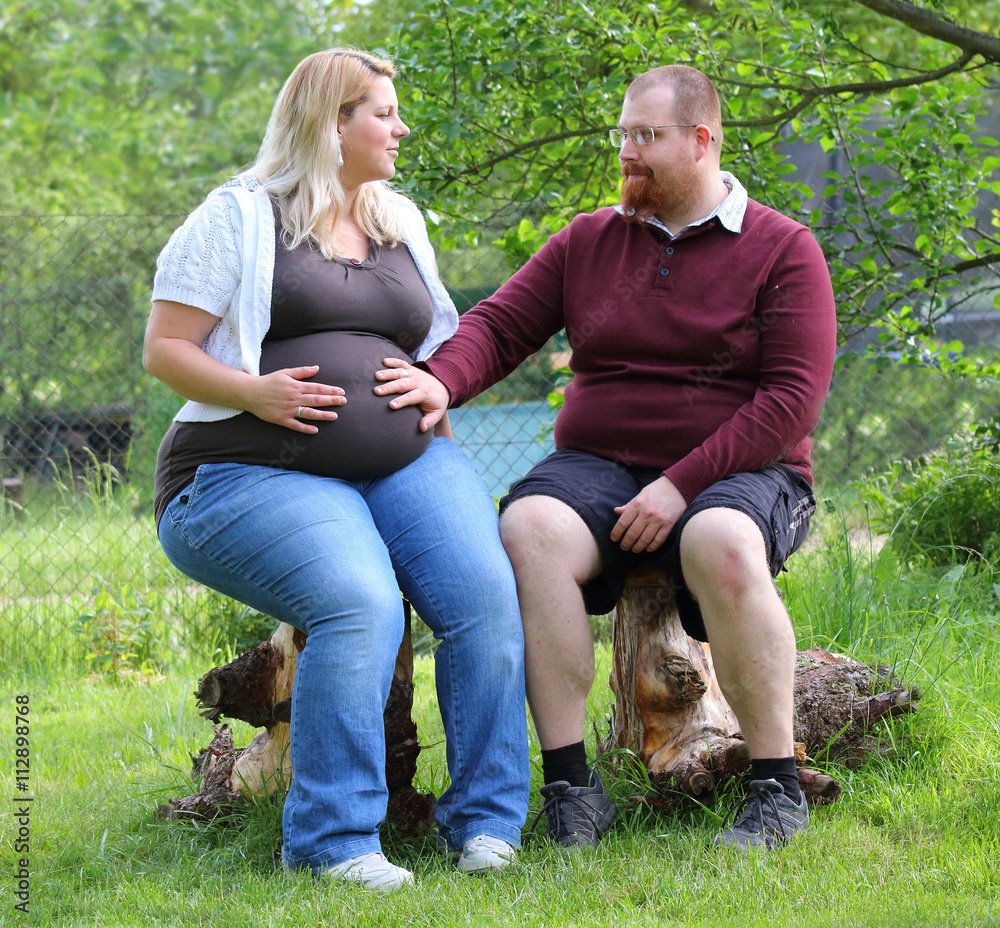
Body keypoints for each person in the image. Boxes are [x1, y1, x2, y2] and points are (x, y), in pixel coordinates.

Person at [373, 64, 837, 851]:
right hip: (598, 462)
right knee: (529, 530)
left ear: (702, 140)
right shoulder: (588, 240)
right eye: (622, 135)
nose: (628, 152)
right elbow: (498, 325)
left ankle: (774, 788)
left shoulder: (782, 249)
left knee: (717, 539)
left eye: (646, 137)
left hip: (741, 471)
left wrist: (678, 485)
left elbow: (791, 402)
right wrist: (439, 382)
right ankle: (570, 789)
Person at [143, 48, 529, 891]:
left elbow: (434, 345)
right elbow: (165, 349)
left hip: (407, 463)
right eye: (384, 113)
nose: (401, 127)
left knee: (485, 595)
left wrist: (435, 383)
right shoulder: (240, 215)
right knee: (361, 602)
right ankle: (331, 840)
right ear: (332, 121)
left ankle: (488, 822)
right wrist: (254, 392)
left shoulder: (400, 222)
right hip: (244, 470)